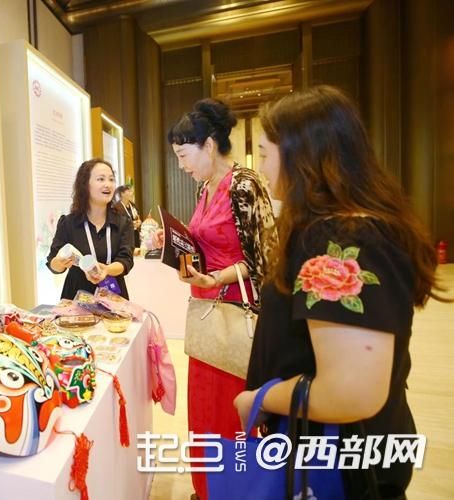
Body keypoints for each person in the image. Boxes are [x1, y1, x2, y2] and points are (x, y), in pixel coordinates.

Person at [235, 86, 449, 498]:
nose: (261, 168)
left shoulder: (339, 239)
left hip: (340, 464)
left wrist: (260, 398)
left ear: (300, 155)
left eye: (264, 153)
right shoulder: (349, 228)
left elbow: (350, 390)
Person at [154, 98, 276, 500]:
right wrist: (175, 246)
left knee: (231, 415)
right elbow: (205, 246)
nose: (181, 165)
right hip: (206, 314)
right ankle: (207, 490)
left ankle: (235, 491)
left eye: (183, 155)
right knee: (205, 412)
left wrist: (217, 276)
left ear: (208, 145)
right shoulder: (205, 187)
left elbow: (265, 260)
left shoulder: (244, 185)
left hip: (235, 317)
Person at [47, 158, 135, 300]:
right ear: (85, 184)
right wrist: (60, 262)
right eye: (101, 179)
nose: (108, 184)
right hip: (76, 296)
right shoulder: (68, 223)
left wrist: (106, 270)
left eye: (111, 179)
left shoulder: (123, 223)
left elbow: (126, 260)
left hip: (112, 294)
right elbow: (53, 264)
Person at [113, 184, 142, 249]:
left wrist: (139, 222)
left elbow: (137, 217)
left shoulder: (133, 206)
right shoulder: (116, 207)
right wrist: (131, 224)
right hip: (124, 237)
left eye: (132, 191)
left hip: (135, 236)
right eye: (129, 191)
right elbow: (116, 223)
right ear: (122, 194)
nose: (132, 193)